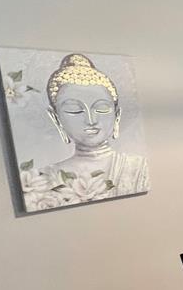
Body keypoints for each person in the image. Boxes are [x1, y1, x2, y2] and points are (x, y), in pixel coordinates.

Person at [20, 54, 148, 210]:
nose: (91, 120)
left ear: (117, 115)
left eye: (101, 108)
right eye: (74, 110)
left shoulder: (140, 168)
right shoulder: (38, 180)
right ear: (56, 118)